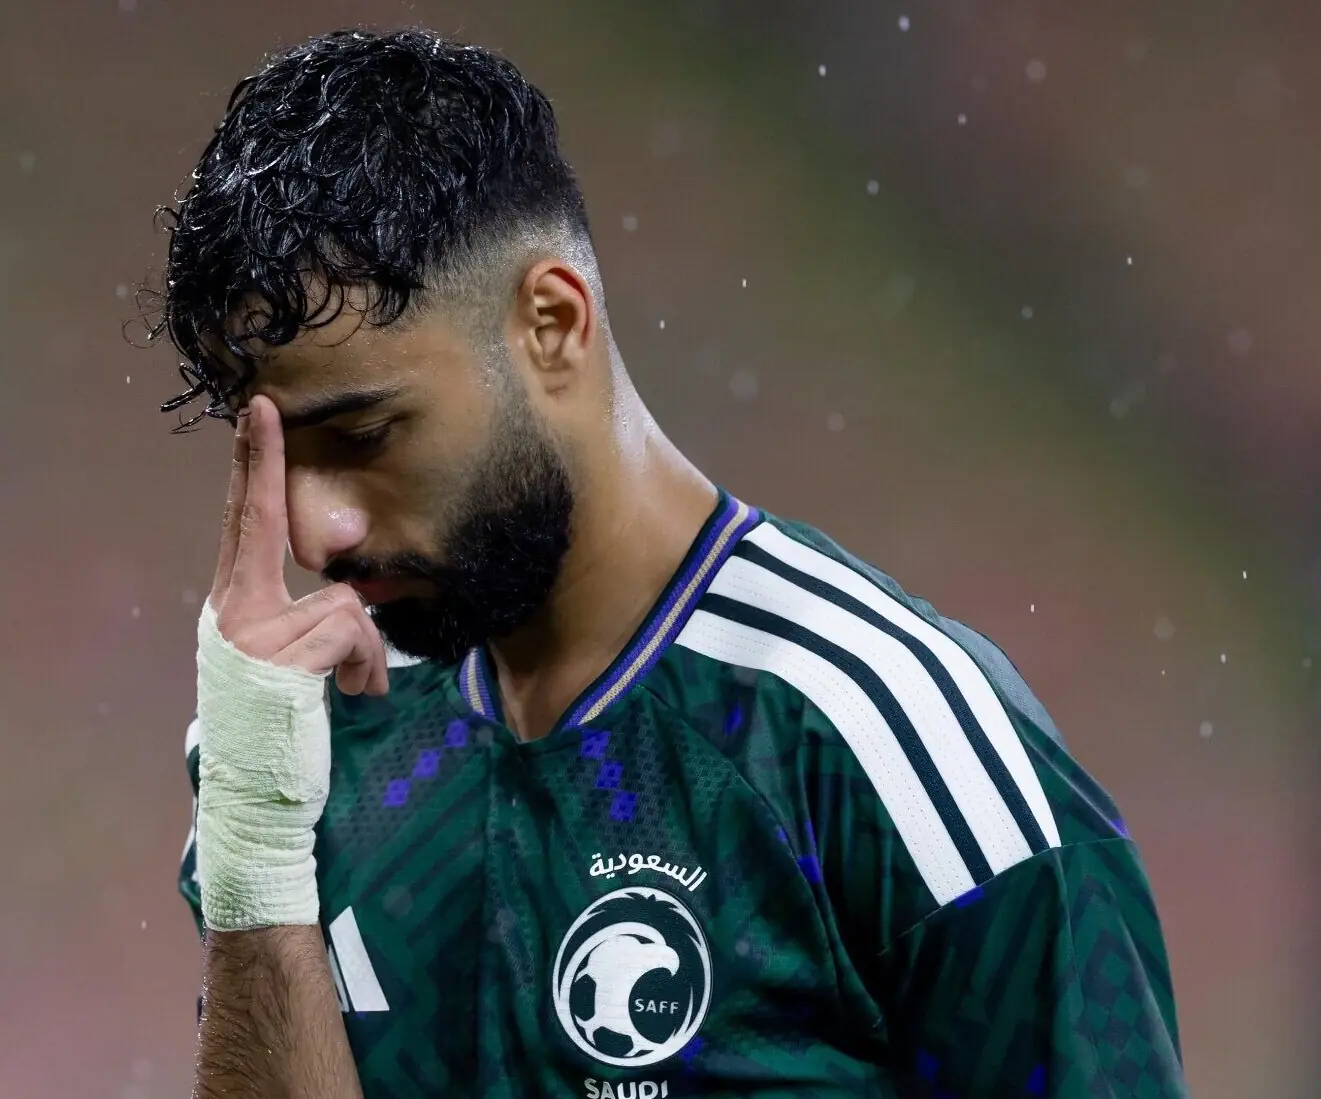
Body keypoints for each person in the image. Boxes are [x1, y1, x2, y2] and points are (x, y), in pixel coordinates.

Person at [148, 27, 1187, 1099]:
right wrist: (255, 850)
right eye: (275, 455)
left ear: (552, 323)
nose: (314, 535)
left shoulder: (876, 734)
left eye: (363, 434)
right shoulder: (302, 746)